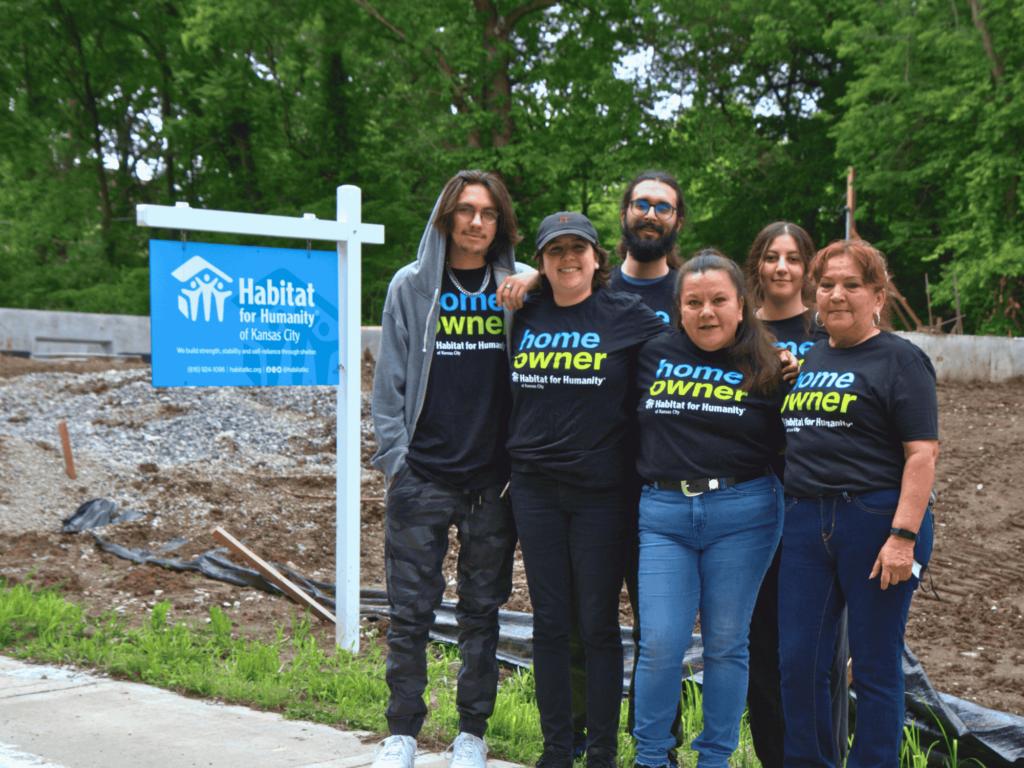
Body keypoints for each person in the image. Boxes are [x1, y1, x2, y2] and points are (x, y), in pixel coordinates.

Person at [369, 169, 534, 768]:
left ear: (500, 224)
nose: (476, 222)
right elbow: (388, 384)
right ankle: (402, 733)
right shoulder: (412, 287)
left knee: (481, 612)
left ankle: (471, 733)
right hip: (424, 478)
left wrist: (533, 278)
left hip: (493, 483)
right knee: (409, 611)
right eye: (465, 210)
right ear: (446, 216)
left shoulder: (515, 289)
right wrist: (398, 463)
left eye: (488, 213)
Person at [506, 211, 668, 768]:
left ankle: (601, 748)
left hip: (602, 492)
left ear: (599, 258)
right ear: (542, 259)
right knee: (550, 621)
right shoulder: (523, 312)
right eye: (555, 251)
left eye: (579, 248)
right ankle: (557, 748)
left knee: (598, 621)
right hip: (534, 489)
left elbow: (696, 346)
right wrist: (528, 280)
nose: (567, 258)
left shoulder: (627, 315)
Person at [777, 239, 937, 768]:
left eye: (851, 285)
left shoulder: (901, 360)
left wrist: (903, 537)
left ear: (878, 294)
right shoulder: (812, 354)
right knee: (799, 662)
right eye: (826, 286)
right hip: (804, 520)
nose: (836, 295)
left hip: (876, 522)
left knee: (873, 663)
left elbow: (921, 455)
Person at [632, 249, 787, 768]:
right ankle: (652, 757)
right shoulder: (651, 353)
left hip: (744, 515)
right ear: (678, 308)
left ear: (741, 305)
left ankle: (715, 759)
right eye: (694, 302)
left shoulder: (770, 364)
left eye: (719, 300)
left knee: (726, 644)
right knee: (660, 643)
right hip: (665, 516)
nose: (707, 312)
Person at [742, 222, 850, 768]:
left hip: (818, 505)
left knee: (820, 653)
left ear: (808, 268)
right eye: (770, 257)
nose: (781, 267)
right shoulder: (737, 331)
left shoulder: (827, 331)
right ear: (757, 265)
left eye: (792, 258)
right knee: (763, 647)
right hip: (753, 505)